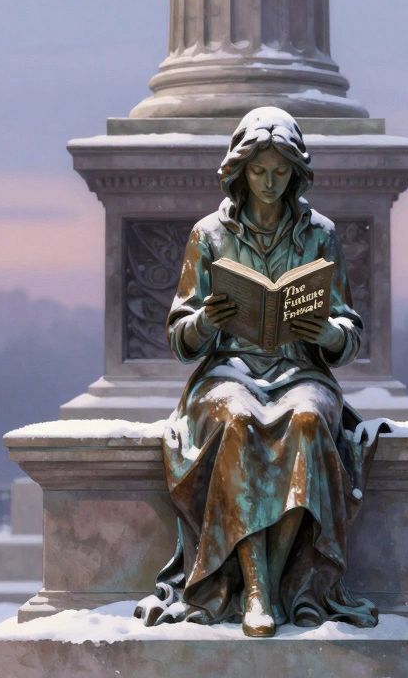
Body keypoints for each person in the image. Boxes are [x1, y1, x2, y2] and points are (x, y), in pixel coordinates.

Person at [135, 107, 378, 638]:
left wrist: (327, 333)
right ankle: (258, 591)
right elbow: (179, 337)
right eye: (259, 171)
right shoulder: (209, 234)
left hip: (300, 371)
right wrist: (205, 321)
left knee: (311, 421)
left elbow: (349, 330)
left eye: (280, 172)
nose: (269, 183)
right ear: (239, 171)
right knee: (238, 420)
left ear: (297, 173)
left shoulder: (321, 235)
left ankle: (269, 578)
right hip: (228, 371)